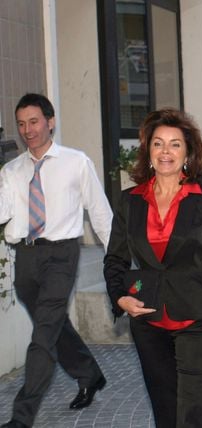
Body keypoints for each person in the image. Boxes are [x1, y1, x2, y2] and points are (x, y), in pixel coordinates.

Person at [103, 108, 202, 428]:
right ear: (148, 150)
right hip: (147, 320)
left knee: (192, 414)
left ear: (188, 152)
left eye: (174, 144)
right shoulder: (129, 201)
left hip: (197, 319)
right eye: (158, 144)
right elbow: (115, 259)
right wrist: (119, 297)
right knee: (165, 412)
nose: (165, 152)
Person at [0, 93, 113, 428]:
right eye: (21, 124)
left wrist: (117, 259)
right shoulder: (12, 170)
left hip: (62, 254)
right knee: (53, 325)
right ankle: (89, 374)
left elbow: (100, 212)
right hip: (27, 255)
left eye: (34, 122)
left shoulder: (76, 162)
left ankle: (22, 417)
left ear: (50, 122)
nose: (27, 130)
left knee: (42, 336)